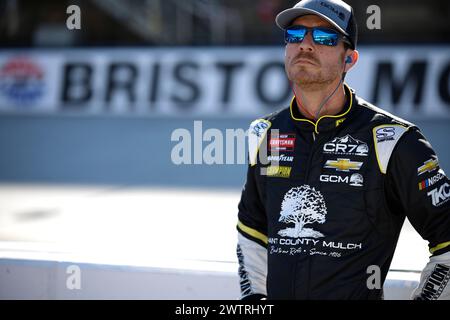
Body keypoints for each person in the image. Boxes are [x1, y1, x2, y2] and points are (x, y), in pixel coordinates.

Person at [236, 0, 450, 300]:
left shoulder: (392, 140)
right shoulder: (265, 134)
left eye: (324, 37)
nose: (306, 45)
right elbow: (252, 231)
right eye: (296, 35)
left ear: (349, 59)